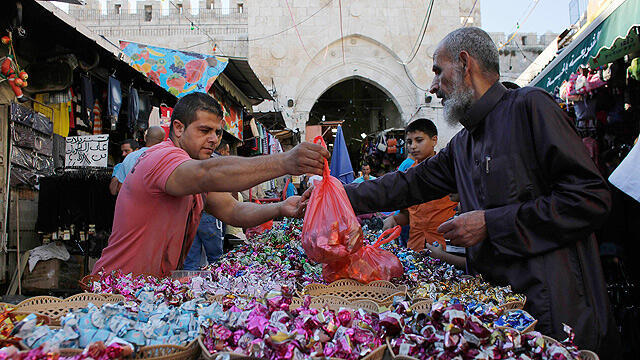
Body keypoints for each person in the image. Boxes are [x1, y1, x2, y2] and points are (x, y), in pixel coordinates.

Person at [301, 27, 619, 356]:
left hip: (554, 310)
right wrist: (336, 193)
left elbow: (591, 197)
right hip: (497, 315)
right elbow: (408, 183)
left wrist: (491, 223)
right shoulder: (464, 145)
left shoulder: (530, 108)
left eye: (439, 71)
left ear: (465, 64)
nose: (433, 86)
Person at [93, 92, 329, 277]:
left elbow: (233, 210)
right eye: (204, 130)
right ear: (178, 128)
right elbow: (209, 173)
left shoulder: (193, 167)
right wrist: (285, 161)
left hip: (148, 291)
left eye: (217, 132)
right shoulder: (162, 157)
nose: (214, 139)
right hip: (116, 288)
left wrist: (280, 208)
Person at [382, 119, 458, 253]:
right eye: (409, 142)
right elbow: (407, 214)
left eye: (419, 140)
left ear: (434, 140)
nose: (413, 146)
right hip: (416, 247)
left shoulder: (449, 170)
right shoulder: (407, 175)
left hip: (446, 247)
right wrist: (393, 219)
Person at [110, 126, 166, 195]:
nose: (123, 154)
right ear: (163, 141)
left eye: (126, 151)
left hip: (132, 202)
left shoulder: (130, 157)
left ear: (145, 137)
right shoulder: (164, 158)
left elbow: (120, 189)